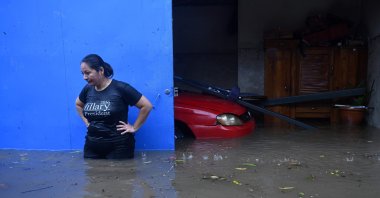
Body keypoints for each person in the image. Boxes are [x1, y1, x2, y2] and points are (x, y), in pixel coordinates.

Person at [75, 54, 152, 159]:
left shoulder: (121, 88)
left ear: (101, 70)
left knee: (120, 174)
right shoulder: (87, 89)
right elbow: (78, 104)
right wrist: (87, 122)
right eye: (82, 73)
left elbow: (146, 106)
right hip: (92, 146)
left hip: (119, 147)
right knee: (91, 174)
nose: (84, 77)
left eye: (88, 73)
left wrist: (134, 127)